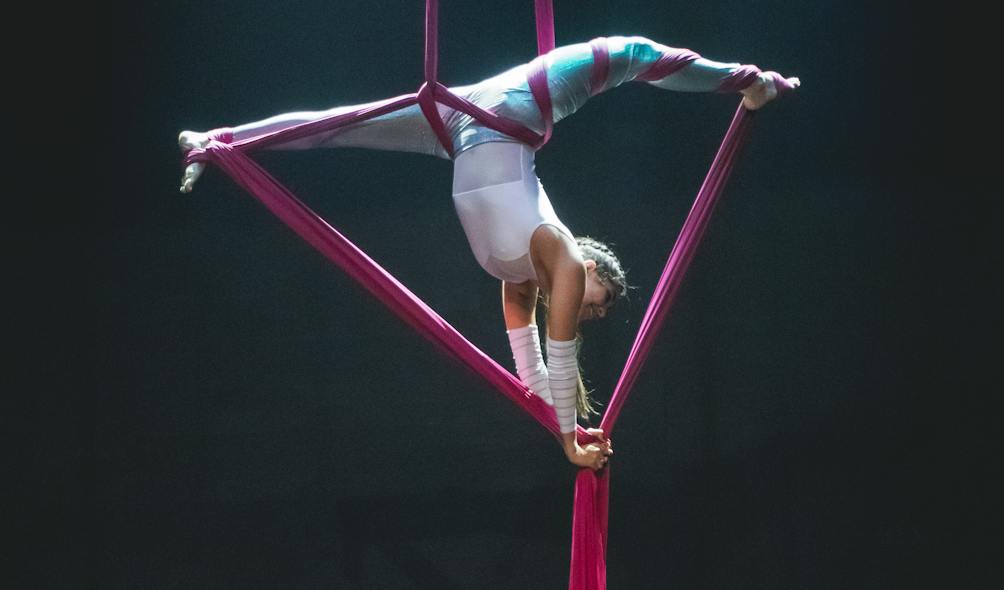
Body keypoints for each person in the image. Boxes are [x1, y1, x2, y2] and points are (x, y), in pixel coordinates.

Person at [179, 35, 798, 472]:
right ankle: (754, 82)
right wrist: (566, 442)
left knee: (338, 126)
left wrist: (556, 425)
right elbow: (561, 355)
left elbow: (531, 365)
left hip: (462, 124)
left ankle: (212, 141)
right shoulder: (559, 258)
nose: (583, 308)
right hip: (514, 108)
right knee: (636, 54)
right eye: (594, 302)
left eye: (589, 311)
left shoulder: (521, 276)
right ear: (588, 269)